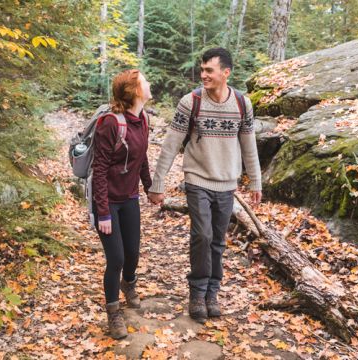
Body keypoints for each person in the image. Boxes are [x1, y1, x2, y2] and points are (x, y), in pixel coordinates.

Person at [148, 47, 262, 324]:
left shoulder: (242, 104)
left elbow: (249, 146)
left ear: (226, 73)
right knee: (202, 235)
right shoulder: (191, 102)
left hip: (227, 183)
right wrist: (157, 183)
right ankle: (197, 293)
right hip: (197, 179)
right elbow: (171, 144)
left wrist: (256, 181)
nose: (203, 75)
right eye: (202, 70)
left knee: (218, 241)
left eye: (209, 70)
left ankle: (212, 293)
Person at [92, 69, 152, 339]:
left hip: (129, 198)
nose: (149, 84)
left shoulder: (143, 120)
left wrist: (151, 189)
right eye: (144, 82)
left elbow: (142, 159)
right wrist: (103, 213)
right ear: (135, 91)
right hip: (107, 203)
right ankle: (113, 312)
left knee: (133, 254)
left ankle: (129, 284)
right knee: (115, 258)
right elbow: (100, 169)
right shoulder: (110, 123)